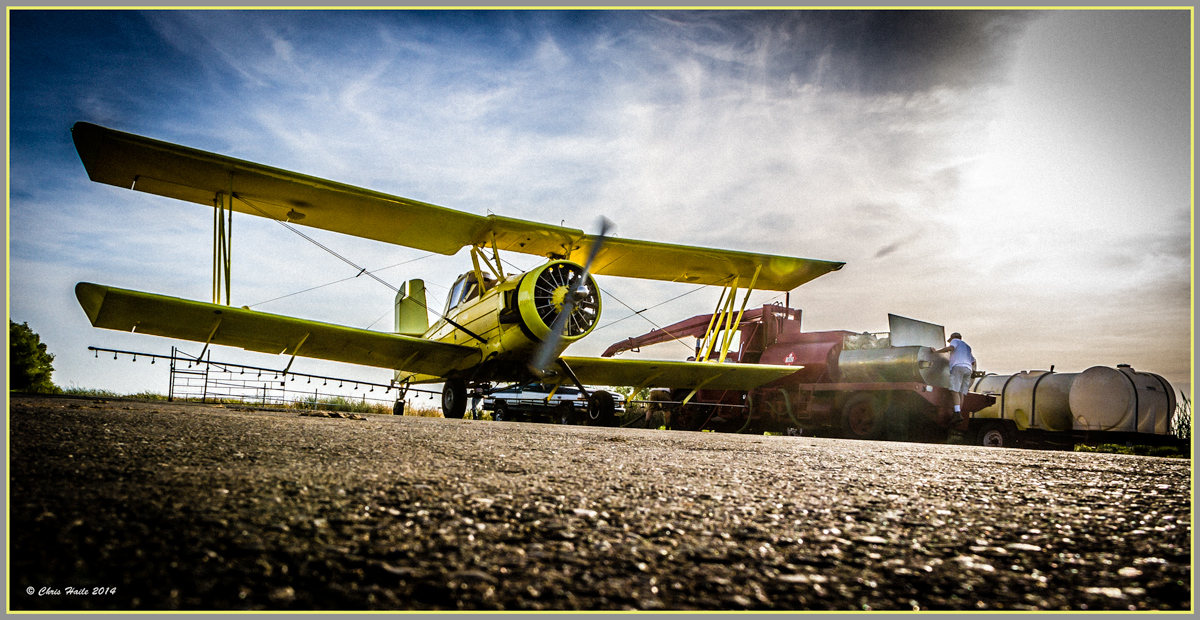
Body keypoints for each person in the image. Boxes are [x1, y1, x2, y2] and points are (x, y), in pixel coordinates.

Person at [934, 332, 976, 420]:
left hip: (958, 367)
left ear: (953, 338)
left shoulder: (955, 341)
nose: (950, 342)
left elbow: (950, 348)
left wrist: (936, 351)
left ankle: (957, 413)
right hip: (968, 369)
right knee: (961, 392)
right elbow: (973, 360)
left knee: (954, 391)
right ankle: (959, 412)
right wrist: (973, 371)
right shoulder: (967, 347)